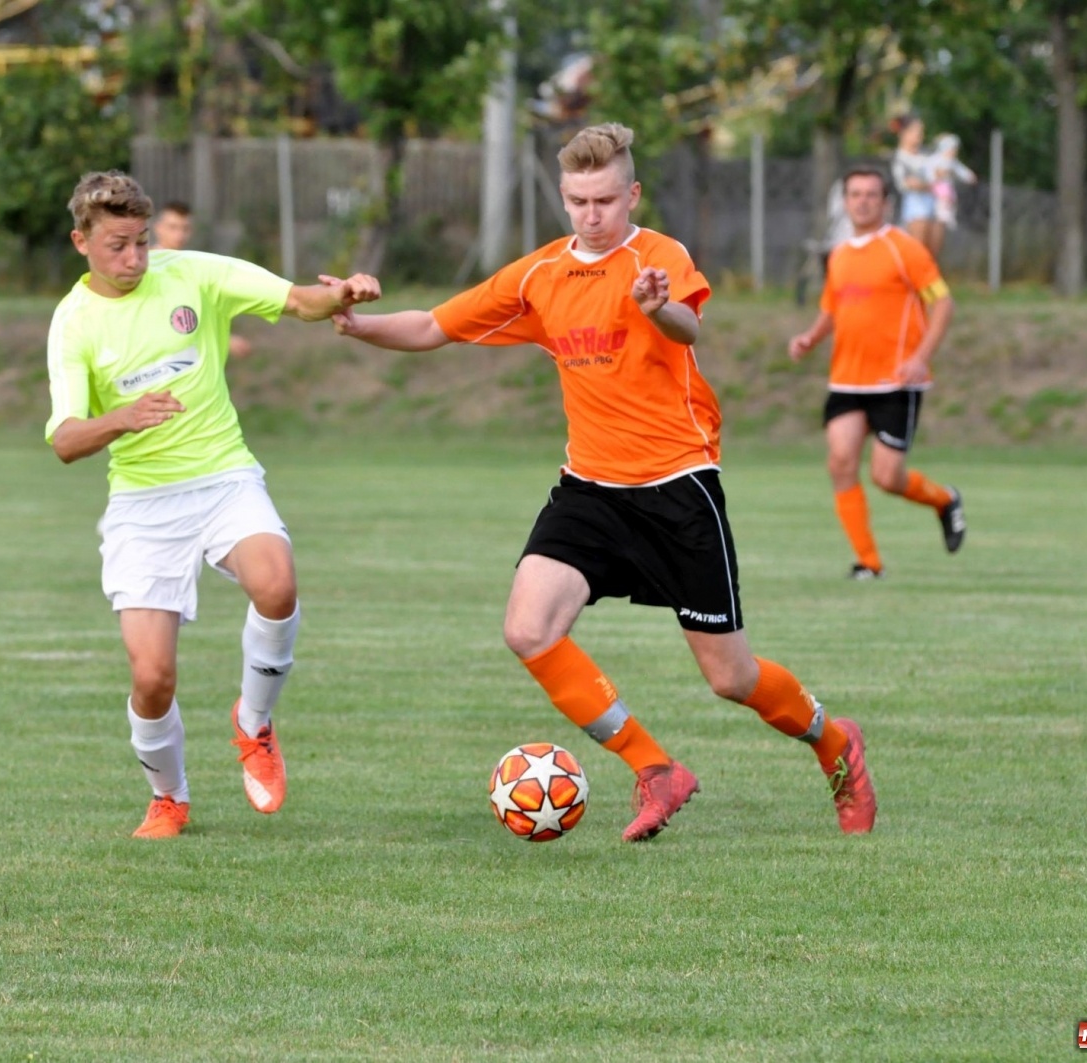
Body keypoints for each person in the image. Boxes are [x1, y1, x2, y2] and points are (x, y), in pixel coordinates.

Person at [332, 123, 876, 840]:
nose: (591, 214)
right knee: (527, 627)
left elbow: (688, 327)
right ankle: (656, 769)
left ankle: (835, 743)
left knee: (731, 677)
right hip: (589, 489)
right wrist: (355, 323)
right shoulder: (540, 274)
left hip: (677, 485)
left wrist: (657, 307)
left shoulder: (659, 257)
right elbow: (434, 325)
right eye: (577, 199)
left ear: (633, 194)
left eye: (605, 199)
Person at [46, 171, 380, 839]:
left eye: (141, 242)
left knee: (277, 583)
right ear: (81, 240)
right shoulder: (73, 321)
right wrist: (122, 418)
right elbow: (64, 439)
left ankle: (254, 723)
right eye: (117, 245)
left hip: (223, 474)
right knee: (153, 675)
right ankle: (169, 798)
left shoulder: (193, 273)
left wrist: (340, 293)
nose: (135, 259)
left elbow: (296, 301)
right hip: (143, 504)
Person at [787, 167, 965, 580]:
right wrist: (810, 339)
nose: (862, 201)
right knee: (840, 462)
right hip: (847, 380)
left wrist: (922, 355)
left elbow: (943, 303)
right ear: (845, 201)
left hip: (895, 381)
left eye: (871, 195)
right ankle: (868, 562)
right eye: (855, 194)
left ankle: (944, 500)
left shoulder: (906, 249)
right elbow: (832, 307)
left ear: (886, 203)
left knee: (887, 477)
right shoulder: (841, 254)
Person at [154, 200, 253, 359]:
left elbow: (190, 315)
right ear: (158, 228)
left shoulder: (190, 268)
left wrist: (224, 339)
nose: (179, 235)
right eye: (172, 227)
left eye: (185, 228)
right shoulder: (143, 266)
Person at [891, 116, 944, 259]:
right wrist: (928, 184)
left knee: (931, 254)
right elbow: (906, 184)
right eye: (915, 131)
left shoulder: (926, 155)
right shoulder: (899, 158)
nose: (919, 135)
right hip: (911, 209)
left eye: (921, 131)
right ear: (903, 133)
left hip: (934, 206)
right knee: (917, 253)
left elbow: (940, 175)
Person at [929, 133, 978, 229]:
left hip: (947, 187)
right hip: (937, 187)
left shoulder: (952, 161)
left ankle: (948, 216)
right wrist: (936, 176)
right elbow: (930, 171)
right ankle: (942, 215)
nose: (955, 152)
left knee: (951, 199)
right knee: (943, 199)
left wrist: (970, 176)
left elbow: (960, 170)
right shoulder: (935, 159)